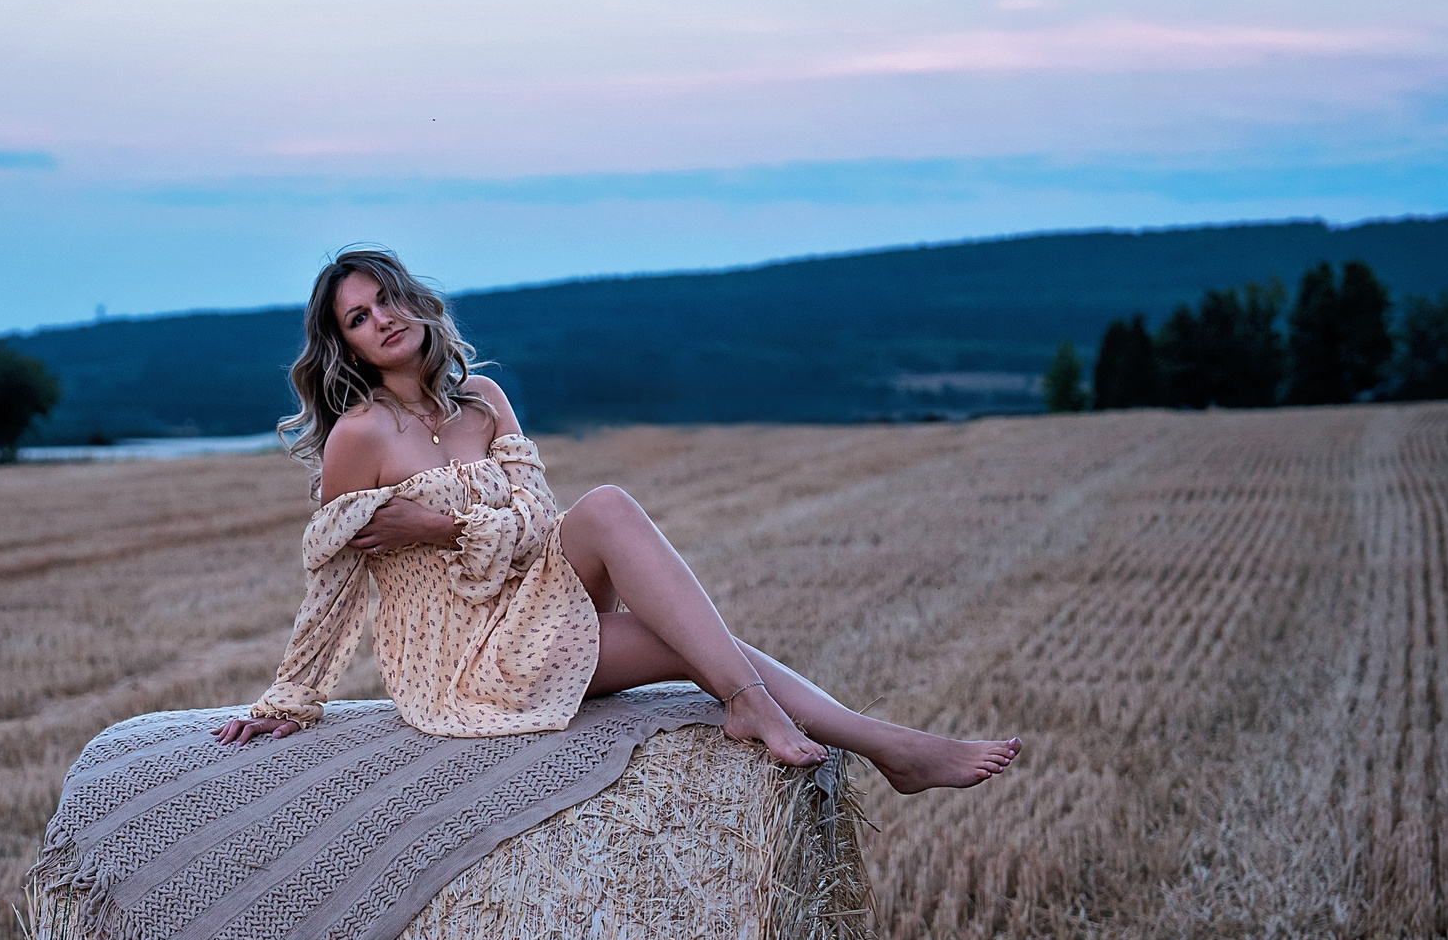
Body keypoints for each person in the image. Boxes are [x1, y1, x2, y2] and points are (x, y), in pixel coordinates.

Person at [212, 249, 1020, 792]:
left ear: (416, 303)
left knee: (603, 508)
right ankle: (880, 743)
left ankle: (808, 720)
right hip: (468, 661)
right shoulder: (360, 437)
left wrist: (442, 527)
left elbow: (538, 517)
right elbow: (334, 580)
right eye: (358, 317)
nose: (381, 318)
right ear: (346, 346)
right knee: (697, 646)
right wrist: (288, 699)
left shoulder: (483, 400)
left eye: (387, 298)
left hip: (538, 608)